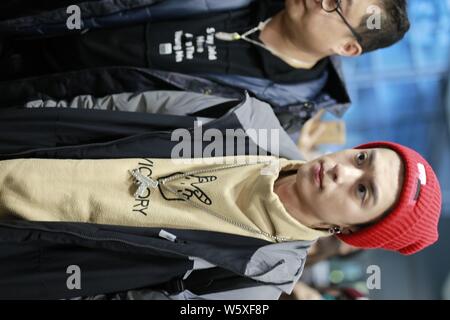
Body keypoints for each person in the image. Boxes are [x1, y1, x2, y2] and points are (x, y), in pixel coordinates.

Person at [0, 140, 442, 299]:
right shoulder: (252, 122)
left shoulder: (255, 284)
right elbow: (105, 109)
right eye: (362, 157)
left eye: (362, 191)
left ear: (353, 233)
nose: (345, 170)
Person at [0, 0, 410, 131]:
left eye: (335, 6)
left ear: (347, 47)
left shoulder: (270, 116)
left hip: (34, 103)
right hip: (31, 23)